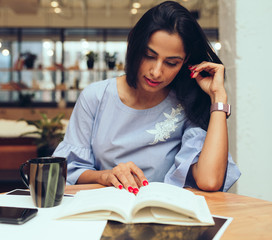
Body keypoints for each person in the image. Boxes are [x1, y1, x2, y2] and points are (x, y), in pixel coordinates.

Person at [53, 1, 240, 193]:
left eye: (171, 63)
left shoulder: (186, 104)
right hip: (104, 210)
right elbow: (70, 170)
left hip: (161, 214)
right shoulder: (95, 97)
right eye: (149, 56)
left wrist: (219, 98)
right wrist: (105, 176)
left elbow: (209, 180)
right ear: (134, 46)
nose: (156, 72)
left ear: (185, 62)